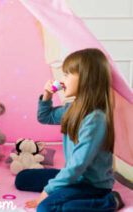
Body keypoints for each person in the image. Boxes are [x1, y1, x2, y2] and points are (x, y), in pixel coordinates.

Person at [15, 48, 124, 211]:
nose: (62, 80)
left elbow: (78, 164)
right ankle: (64, 187)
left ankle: (110, 202)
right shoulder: (72, 108)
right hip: (75, 177)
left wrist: (47, 191)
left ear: (86, 79)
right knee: (22, 179)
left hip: (92, 185)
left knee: (46, 208)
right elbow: (45, 117)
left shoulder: (95, 119)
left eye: (67, 74)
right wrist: (47, 94)